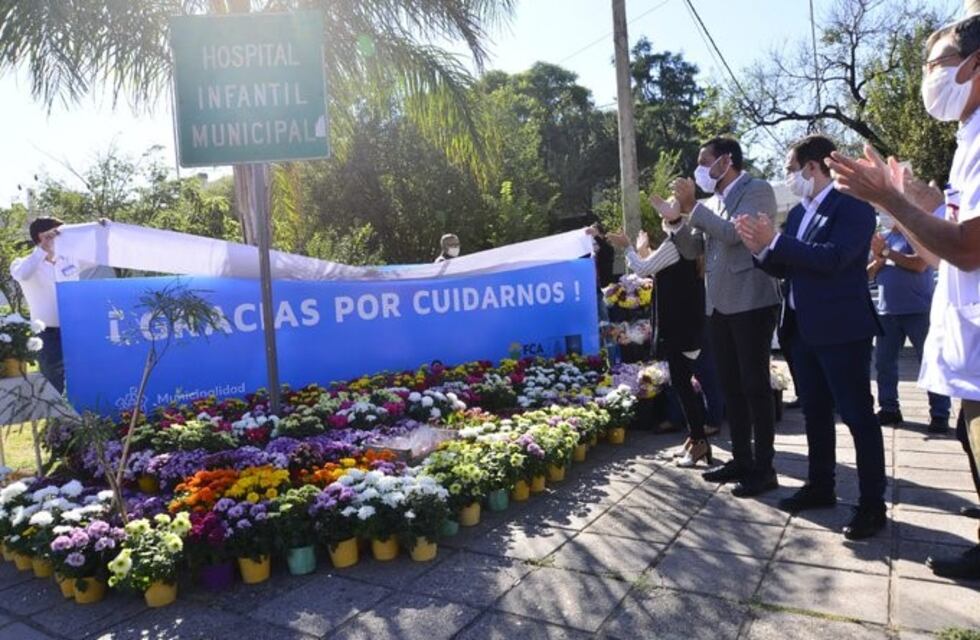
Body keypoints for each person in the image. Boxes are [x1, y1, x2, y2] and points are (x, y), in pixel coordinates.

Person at [826, 12, 980, 577]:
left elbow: (965, 249)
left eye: (935, 64)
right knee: (969, 427)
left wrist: (890, 202)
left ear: (974, 64)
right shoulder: (969, 137)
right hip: (969, 332)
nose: (927, 78)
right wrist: (921, 203)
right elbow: (946, 245)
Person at [737, 135, 887, 540]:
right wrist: (763, 251)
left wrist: (778, 242)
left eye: (790, 168)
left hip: (842, 329)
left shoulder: (852, 206)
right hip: (801, 330)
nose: (788, 176)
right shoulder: (800, 214)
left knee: (857, 416)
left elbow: (835, 259)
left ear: (812, 168)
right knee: (815, 414)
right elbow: (790, 266)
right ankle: (821, 486)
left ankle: (872, 505)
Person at [655, 136, 782, 497]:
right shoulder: (713, 202)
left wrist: (693, 206)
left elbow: (732, 234)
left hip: (752, 301)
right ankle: (741, 458)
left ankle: (764, 467)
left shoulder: (757, 190)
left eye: (705, 161)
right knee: (731, 387)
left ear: (726, 161)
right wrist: (677, 222)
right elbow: (695, 247)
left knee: (755, 387)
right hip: (719, 306)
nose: (700, 169)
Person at [603, 223, 711, 467]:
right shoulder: (686, 247)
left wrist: (628, 247)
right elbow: (655, 270)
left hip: (678, 326)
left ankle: (699, 441)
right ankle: (696, 438)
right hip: (687, 324)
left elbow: (643, 268)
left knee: (683, 384)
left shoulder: (675, 244)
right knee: (683, 382)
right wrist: (642, 250)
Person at [868, 217, 951, 432]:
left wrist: (887, 253)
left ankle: (940, 414)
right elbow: (869, 272)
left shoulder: (916, 235)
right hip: (887, 312)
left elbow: (920, 264)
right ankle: (889, 409)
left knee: (930, 362)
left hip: (918, 311)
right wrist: (877, 262)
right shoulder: (884, 238)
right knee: (884, 365)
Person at [9, 217, 77, 394]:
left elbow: (98, 254)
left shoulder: (69, 260)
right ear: (42, 235)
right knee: (52, 378)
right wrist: (43, 249)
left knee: (80, 375)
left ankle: (80, 418)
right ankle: (55, 420)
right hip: (47, 333)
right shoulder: (21, 263)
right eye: (56, 233)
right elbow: (23, 275)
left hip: (74, 328)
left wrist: (101, 230)